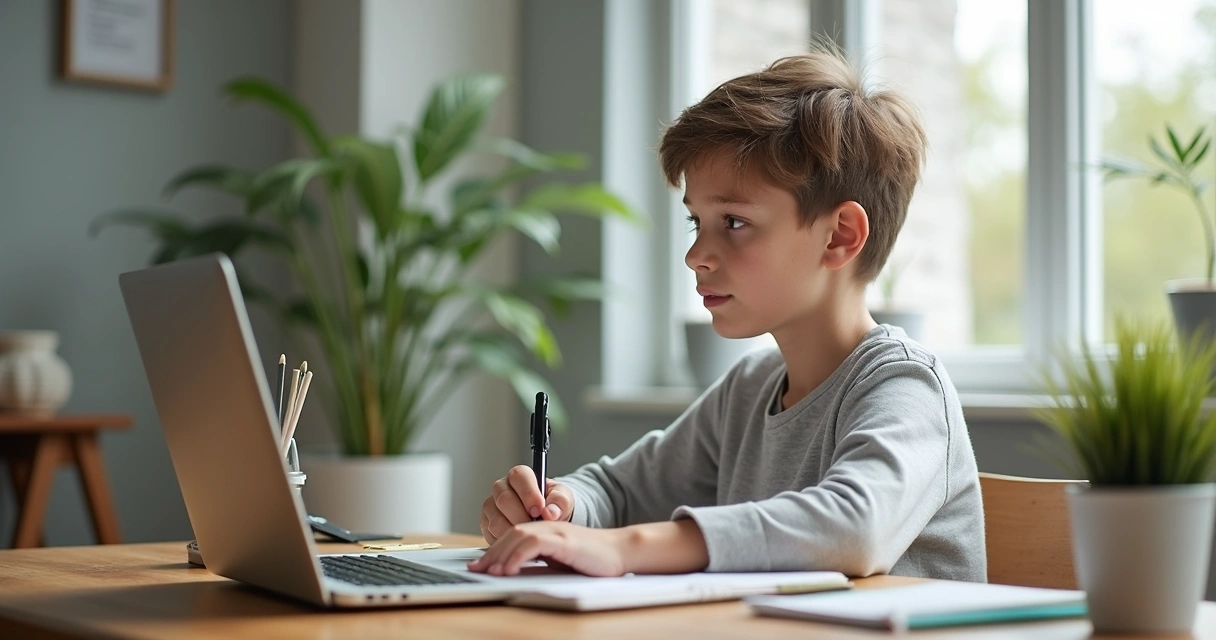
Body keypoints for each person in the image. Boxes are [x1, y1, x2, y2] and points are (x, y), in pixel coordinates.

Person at [467, 46, 986, 582]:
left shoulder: (905, 386)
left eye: (734, 222)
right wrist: (561, 509)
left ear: (840, 236)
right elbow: (621, 491)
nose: (696, 256)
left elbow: (855, 529)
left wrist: (628, 547)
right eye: (697, 222)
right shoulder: (749, 390)